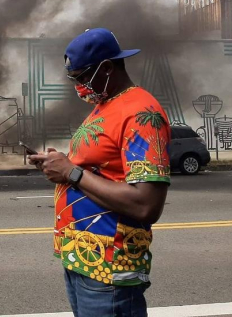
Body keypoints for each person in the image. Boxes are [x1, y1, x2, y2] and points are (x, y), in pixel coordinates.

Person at [29, 28, 171, 317]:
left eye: (82, 77)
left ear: (106, 68)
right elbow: (97, 166)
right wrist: (61, 162)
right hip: (83, 259)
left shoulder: (142, 114)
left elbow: (145, 204)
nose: (78, 86)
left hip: (110, 268)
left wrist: (71, 172)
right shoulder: (105, 106)